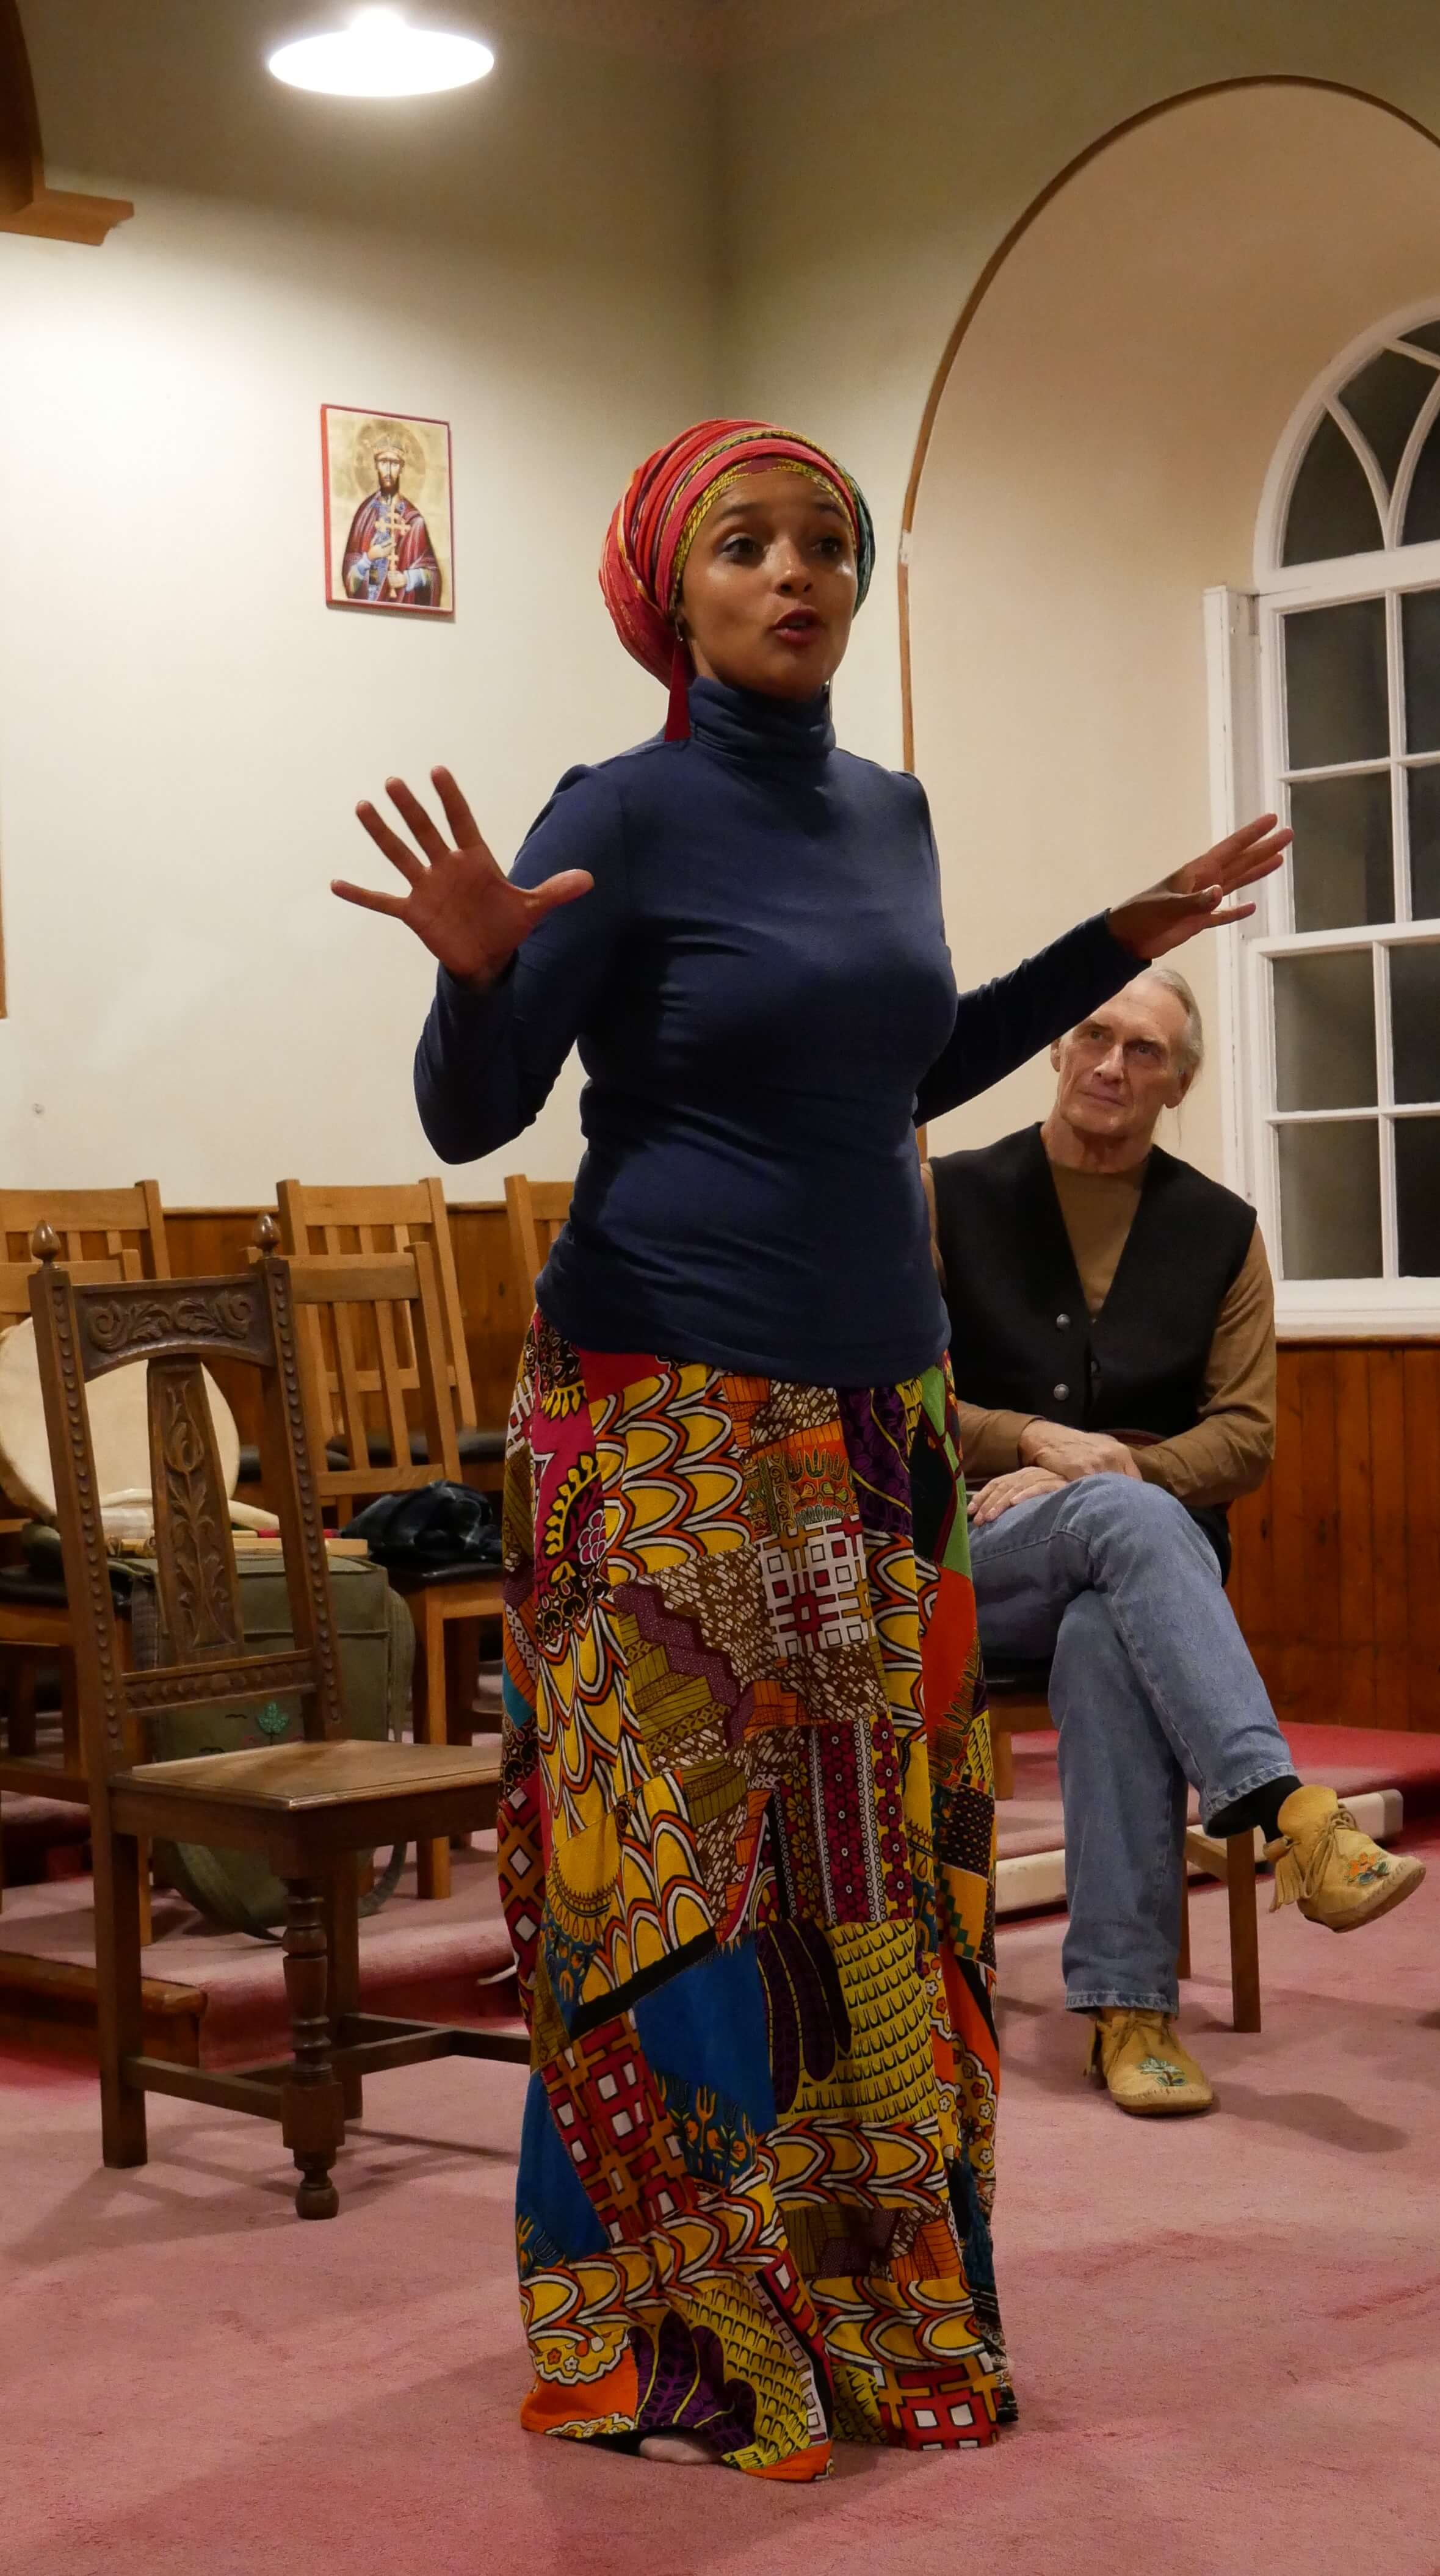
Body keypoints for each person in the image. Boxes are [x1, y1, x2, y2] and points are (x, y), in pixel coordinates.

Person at [331, 417, 1285, 2475]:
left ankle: (867, 2295)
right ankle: (672, 2332)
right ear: (664, 594)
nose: (795, 575)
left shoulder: (887, 810)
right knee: (667, 1889)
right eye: (746, 546)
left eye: (827, 546)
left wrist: (1114, 940)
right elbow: (469, 1119)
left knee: (869, 1884)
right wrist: (472, 987)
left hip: (879, 1422)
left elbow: (907, 1067)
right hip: (654, 1414)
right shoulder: (626, 808)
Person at [931, 966, 1424, 2119]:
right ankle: (1291, 1817)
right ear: (1054, 1051)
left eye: (1143, 1050)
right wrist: (1031, 1441)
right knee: (1119, 1519)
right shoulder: (943, 1197)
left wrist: (1118, 1472)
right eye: (1092, 1036)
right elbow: (897, 1396)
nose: (1111, 1063)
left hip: (1139, 1566)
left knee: (1111, 1624)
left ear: (1177, 1083)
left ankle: (1127, 2013)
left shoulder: (1220, 1231)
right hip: (974, 1555)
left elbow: (1244, 1440)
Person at [342, 432, 441, 607]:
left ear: (401, 467)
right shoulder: (365, 514)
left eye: (394, 463)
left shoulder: (414, 521)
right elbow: (349, 580)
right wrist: (369, 558)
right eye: (383, 462)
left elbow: (433, 577)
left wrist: (408, 578)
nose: (388, 470)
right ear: (376, 466)